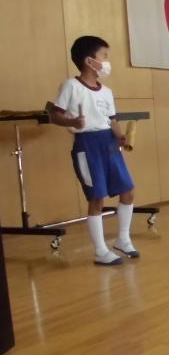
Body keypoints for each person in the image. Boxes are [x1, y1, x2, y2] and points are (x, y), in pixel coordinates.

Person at [50, 36, 137, 266]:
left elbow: (112, 120)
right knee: (96, 197)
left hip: (109, 144)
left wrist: (120, 136)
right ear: (90, 61)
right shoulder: (70, 86)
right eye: (104, 56)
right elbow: (54, 115)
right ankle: (100, 251)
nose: (107, 62)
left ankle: (123, 239)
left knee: (128, 191)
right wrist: (72, 122)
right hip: (87, 146)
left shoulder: (106, 91)